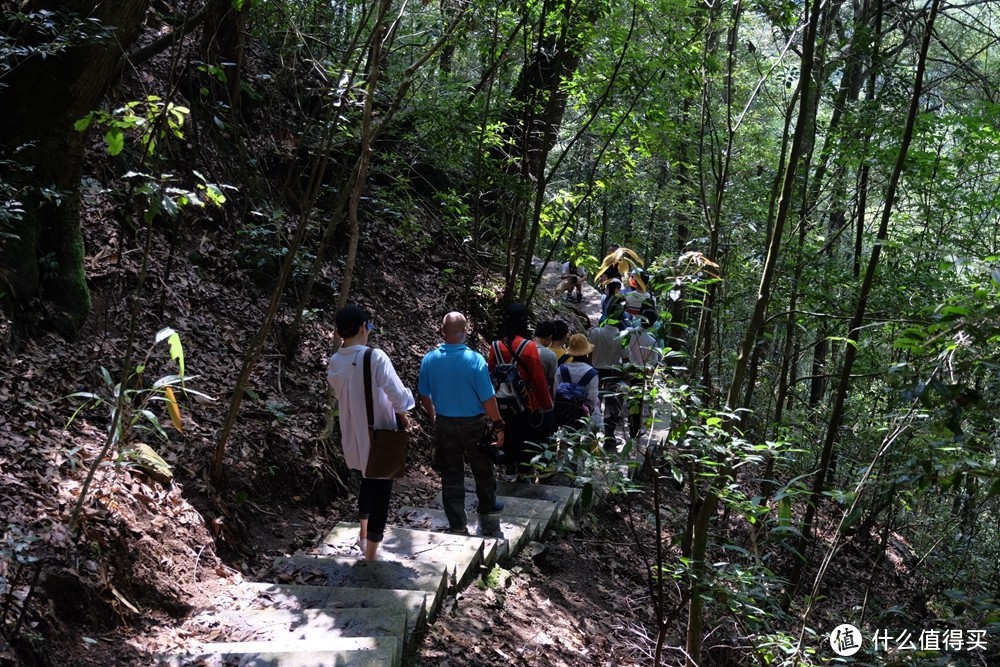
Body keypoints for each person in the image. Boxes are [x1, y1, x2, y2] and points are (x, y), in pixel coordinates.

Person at [327, 305, 415, 561]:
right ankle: (371, 556)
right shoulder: (374, 357)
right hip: (379, 434)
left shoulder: (335, 361)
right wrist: (406, 406)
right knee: (382, 490)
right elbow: (399, 397)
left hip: (352, 433)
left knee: (367, 479)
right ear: (364, 327)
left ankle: (363, 534)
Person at [418, 312, 507, 536]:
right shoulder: (475, 359)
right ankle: (487, 508)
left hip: (445, 423)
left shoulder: (430, 359)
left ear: (442, 331)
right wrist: (498, 424)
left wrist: (433, 415)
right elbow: (488, 398)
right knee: (483, 469)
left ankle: (457, 524)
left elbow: (424, 395)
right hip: (474, 424)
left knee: (451, 473)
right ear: (465, 331)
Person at [487, 304, 554, 480]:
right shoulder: (529, 347)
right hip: (526, 403)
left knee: (508, 434)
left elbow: (491, 374)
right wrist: (546, 405)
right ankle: (523, 474)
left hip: (502, 401)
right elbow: (538, 379)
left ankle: (509, 469)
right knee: (526, 437)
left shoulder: (495, 346)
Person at [588, 308, 627, 448]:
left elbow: (590, 353)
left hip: (596, 372)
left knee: (593, 401)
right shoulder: (622, 336)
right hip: (613, 373)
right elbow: (625, 358)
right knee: (612, 406)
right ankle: (609, 437)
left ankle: (591, 435)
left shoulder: (596, 332)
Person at [625, 307, 663, 438]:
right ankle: (634, 429)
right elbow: (653, 362)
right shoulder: (651, 341)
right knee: (638, 400)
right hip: (641, 372)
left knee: (630, 398)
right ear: (653, 324)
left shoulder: (629, 332)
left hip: (627, 368)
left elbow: (623, 349)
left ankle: (631, 427)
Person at [553, 334, 602, 432]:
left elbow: (555, 393)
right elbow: (592, 399)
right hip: (585, 416)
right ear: (587, 352)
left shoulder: (561, 369)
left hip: (566, 415)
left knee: (565, 441)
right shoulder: (592, 373)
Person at [532, 320, 558, 444]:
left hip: (523, 401)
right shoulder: (549, 355)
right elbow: (553, 381)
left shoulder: (523, 349)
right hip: (543, 402)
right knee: (544, 437)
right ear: (550, 337)